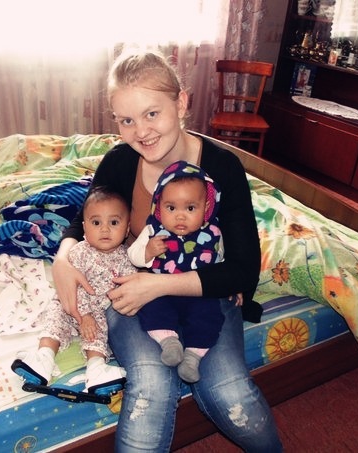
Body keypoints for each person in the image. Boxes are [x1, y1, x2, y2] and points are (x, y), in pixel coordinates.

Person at [52, 51, 283, 452]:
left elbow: (244, 270)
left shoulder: (222, 168)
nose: (140, 131)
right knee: (152, 385)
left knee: (231, 394)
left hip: (204, 293)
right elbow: (82, 218)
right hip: (132, 295)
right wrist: (62, 257)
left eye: (152, 113)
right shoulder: (120, 162)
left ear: (181, 103)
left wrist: (158, 285)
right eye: (126, 120)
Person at [12, 186, 135, 393]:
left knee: (98, 331)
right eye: (96, 223)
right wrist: (83, 315)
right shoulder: (79, 251)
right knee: (55, 314)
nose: (105, 229)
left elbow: (129, 284)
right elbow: (73, 286)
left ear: (127, 228)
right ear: (84, 227)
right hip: (73, 304)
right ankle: (43, 358)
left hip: (98, 310)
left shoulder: (126, 257)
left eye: (114, 223)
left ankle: (96, 368)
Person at [127, 160, 232, 383]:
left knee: (210, 317)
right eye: (171, 208)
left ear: (206, 207)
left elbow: (222, 261)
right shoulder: (154, 231)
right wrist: (147, 251)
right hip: (161, 291)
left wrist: (230, 286)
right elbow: (132, 255)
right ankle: (169, 342)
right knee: (152, 308)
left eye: (190, 208)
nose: (180, 216)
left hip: (199, 294)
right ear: (158, 206)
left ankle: (193, 357)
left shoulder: (213, 234)